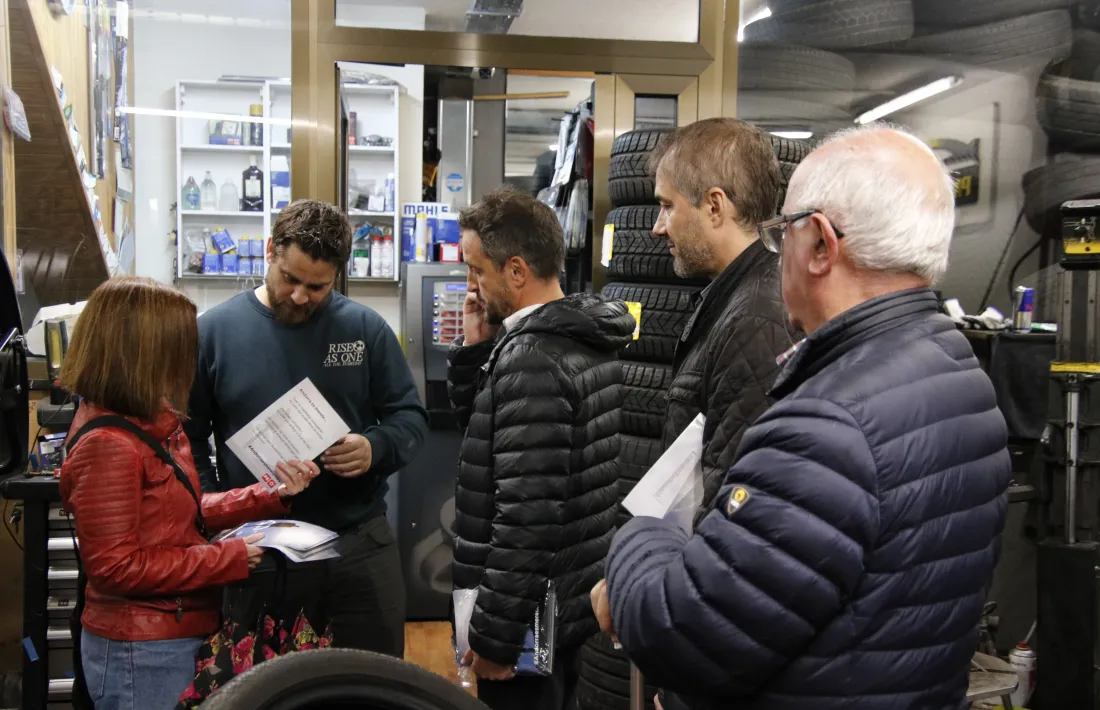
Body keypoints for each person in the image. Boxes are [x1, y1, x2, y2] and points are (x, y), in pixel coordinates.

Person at [593, 126, 1012, 709]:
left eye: (779, 232)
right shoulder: (956, 367)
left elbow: (686, 631)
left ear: (818, 242)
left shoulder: (829, 425)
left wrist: (643, 536)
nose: (774, 250)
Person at [59, 277, 318, 710]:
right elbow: (115, 567)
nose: (189, 356)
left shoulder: (153, 421)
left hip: (174, 635)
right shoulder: (109, 444)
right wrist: (228, 558)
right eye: (181, 342)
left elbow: (180, 514)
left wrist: (268, 493)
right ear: (143, 349)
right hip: (140, 651)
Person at [185, 199, 429, 657]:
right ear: (271, 250)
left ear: (337, 274)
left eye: (317, 287)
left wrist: (374, 447)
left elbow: (411, 419)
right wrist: (218, 515)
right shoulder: (213, 333)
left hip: (356, 548)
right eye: (290, 279)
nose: (300, 296)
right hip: (258, 550)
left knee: (371, 687)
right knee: (264, 694)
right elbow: (189, 438)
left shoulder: (365, 330)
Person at [447, 188, 635, 710]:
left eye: (477, 271)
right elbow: (491, 437)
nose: (471, 286)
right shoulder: (575, 337)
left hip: (528, 616)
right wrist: (476, 348)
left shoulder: (533, 358)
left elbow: (526, 519)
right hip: (562, 602)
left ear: (514, 270)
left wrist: (494, 637)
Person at [649, 118, 794, 519]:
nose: (657, 228)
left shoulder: (756, 319)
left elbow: (735, 503)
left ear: (714, 207)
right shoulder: (736, 296)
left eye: (666, 206)